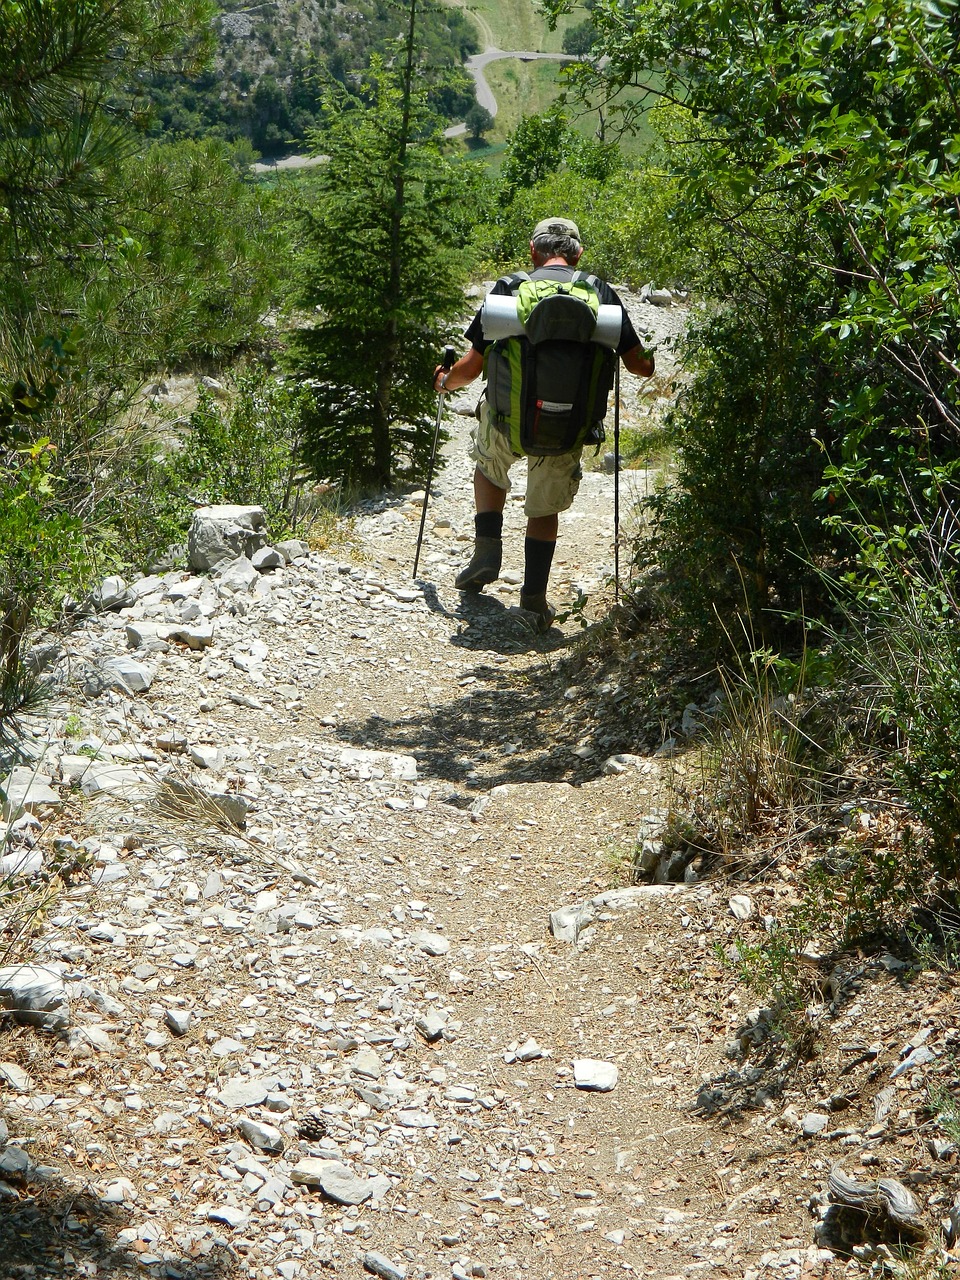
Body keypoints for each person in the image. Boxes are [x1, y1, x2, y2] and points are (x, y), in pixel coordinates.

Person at [433, 217, 655, 631]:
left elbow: (473, 366)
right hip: (568, 425)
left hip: (507, 421)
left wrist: (446, 381)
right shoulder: (599, 292)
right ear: (578, 254)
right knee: (545, 505)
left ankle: (487, 551)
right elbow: (639, 366)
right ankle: (533, 598)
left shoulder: (510, 289)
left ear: (534, 252)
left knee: (488, 466)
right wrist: (652, 360)